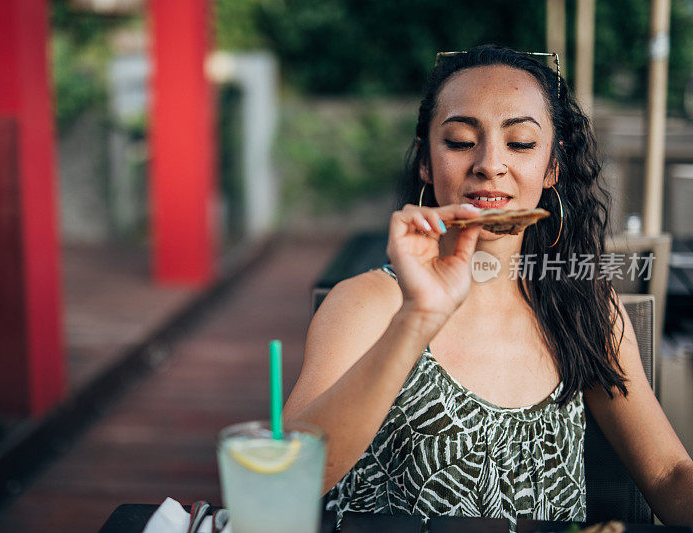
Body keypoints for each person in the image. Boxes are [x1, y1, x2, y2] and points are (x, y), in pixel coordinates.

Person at [282, 44, 693, 531]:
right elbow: (290, 478)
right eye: (459, 141)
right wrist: (417, 318)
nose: (490, 164)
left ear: (552, 168)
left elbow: (668, 474)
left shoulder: (582, 306)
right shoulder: (369, 302)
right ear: (426, 164)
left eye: (520, 143)